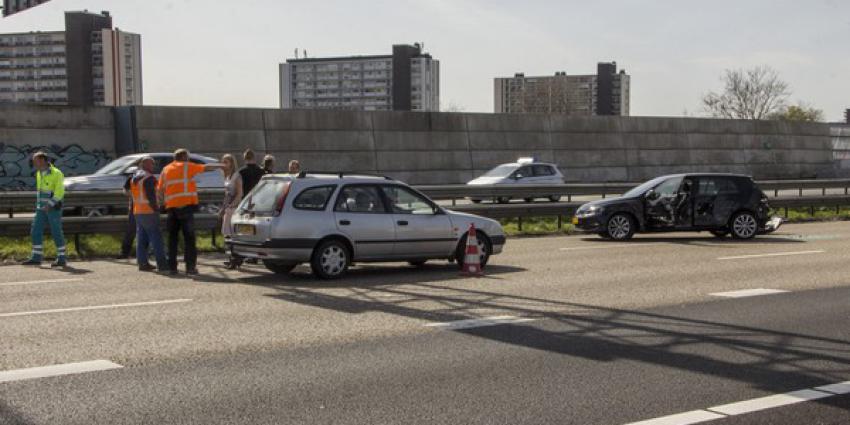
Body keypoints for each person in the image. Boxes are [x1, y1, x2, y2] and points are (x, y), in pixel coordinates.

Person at [157, 149, 224, 275]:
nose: (188, 159)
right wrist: (221, 165)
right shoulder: (187, 167)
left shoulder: (165, 170)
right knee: (189, 238)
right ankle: (190, 267)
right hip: (186, 208)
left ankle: (172, 267)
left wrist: (163, 204)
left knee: (173, 239)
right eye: (187, 157)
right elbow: (206, 167)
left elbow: (160, 190)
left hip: (171, 208)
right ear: (183, 157)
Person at [22, 151, 67, 268]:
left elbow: (60, 192)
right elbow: (41, 191)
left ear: (42, 160)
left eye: (35, 160)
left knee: (56, 231)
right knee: (35, 231)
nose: (33, 163)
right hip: (41, 208)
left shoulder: (57, 173)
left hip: (53, 208)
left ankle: (62, 258)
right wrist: (39, 206)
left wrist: (50, 204)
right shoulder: (39, 173)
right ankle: (36, 257)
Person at [131, 156, 167, 272]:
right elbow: (151, 196)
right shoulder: (148, 177)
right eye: (151, 164)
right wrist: (156, 208)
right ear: (145, 165)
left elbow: (127, 190)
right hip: (149, 211)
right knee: (156, 238)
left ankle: (142, 263)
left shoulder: (134, 176)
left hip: (138, 211)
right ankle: (162, 265)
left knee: (141, 238)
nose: (153, 166)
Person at [219, 154, 244, 269]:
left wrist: (232, 205)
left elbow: (240, 193)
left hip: (234, 208)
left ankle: (236, 259)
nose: (224, 164)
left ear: (232, 163)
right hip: (228, 208)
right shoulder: (227, 176)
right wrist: (223, 208)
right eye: (223, 162)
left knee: (232, 234)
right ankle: (231, 258)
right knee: (227, 234)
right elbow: (226, 195)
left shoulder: (236, 176)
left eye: (226, 162)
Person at [117, 159, 140, 260]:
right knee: (131, 231)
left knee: (145, 231)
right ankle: (124, 252)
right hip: (135, 208)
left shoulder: (149, 177)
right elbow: (125, 190)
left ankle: (145, 253)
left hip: (145, 209)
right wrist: (133, 195)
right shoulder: (132, 177)